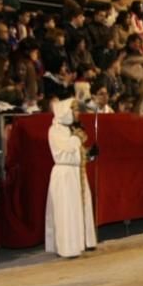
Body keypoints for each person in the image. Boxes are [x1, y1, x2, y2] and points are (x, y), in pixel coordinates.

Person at [45, 98, 97, 257]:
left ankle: (84, 241)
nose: (77, 113)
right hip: (65, 175)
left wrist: (89, 155)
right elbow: (66, 148)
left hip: (76, 173)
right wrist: (78, 137)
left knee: (80, 208)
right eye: (74, 110)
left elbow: (76, 154)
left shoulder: (70, 130)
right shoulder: (55, 130)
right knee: (67, 211)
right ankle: (68, 247)